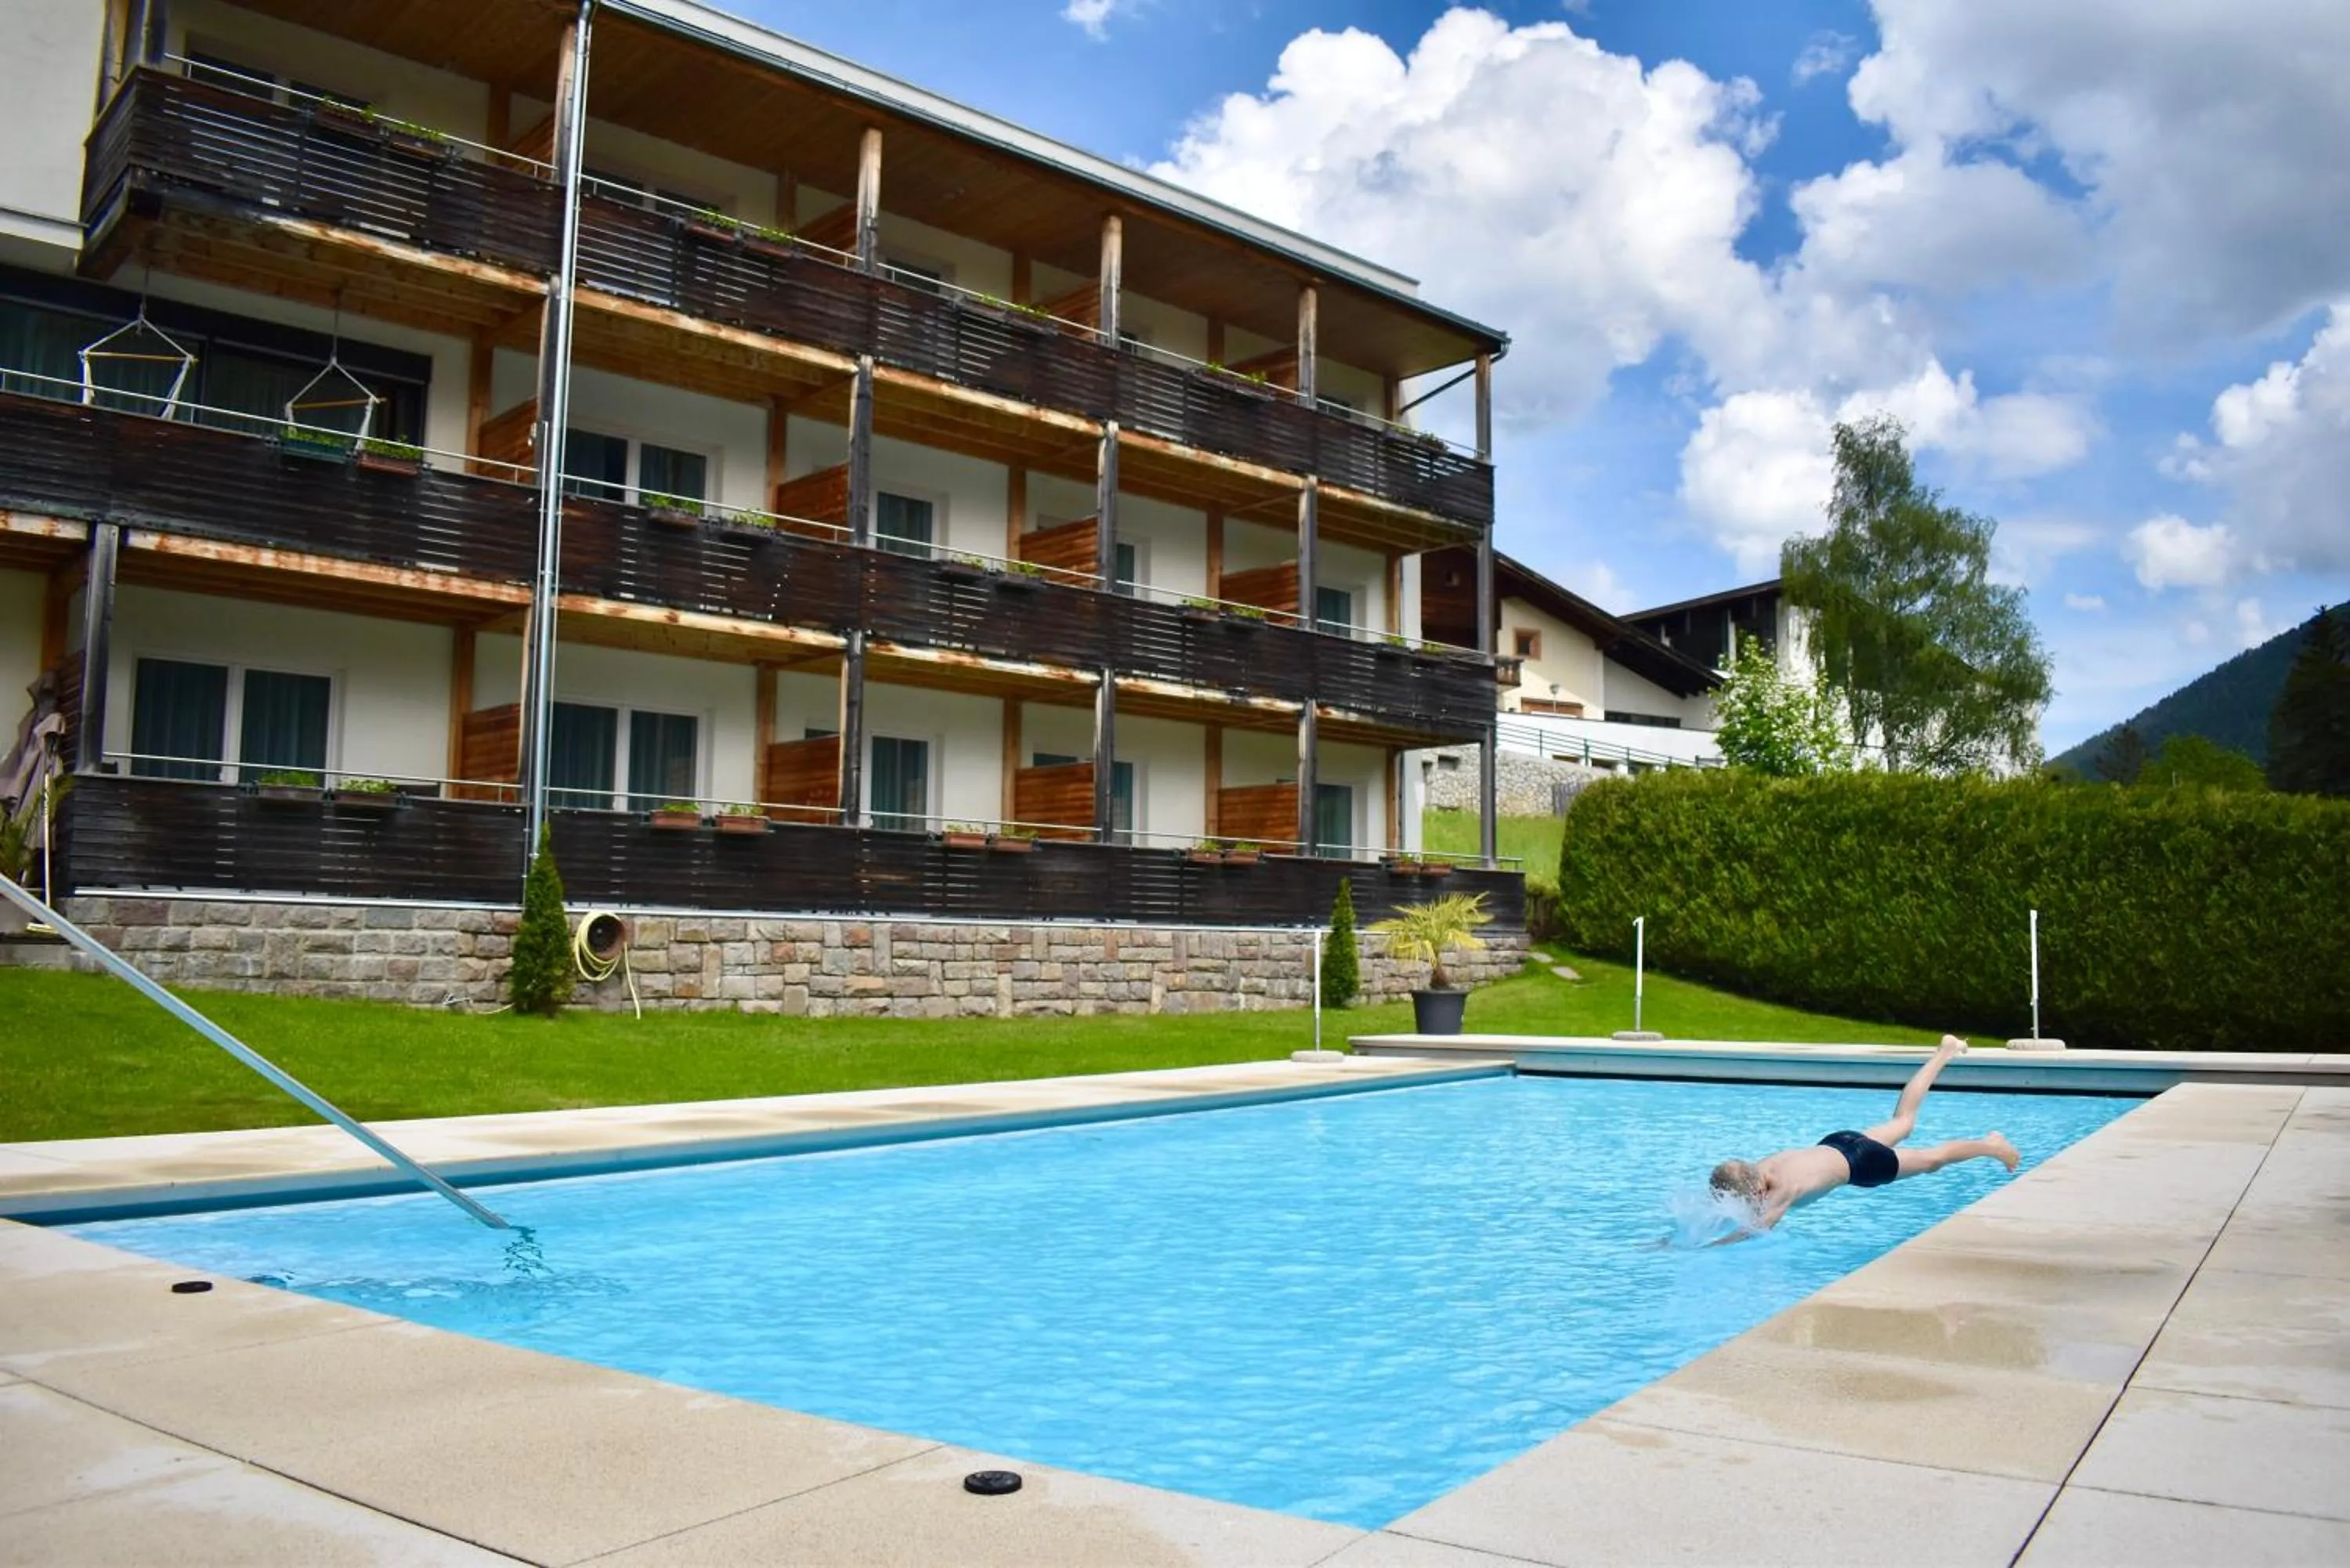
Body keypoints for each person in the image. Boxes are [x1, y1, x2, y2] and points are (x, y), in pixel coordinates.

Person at [1706, 1035, 2019, 1238]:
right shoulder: (1762, 1168)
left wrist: (1701, 1251)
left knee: (1933, 1159)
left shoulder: (1784, 1189)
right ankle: (1946, 1051)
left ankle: (1992, 1146)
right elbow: (1731, 1209)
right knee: (1904, 1121)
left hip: (1863, 1163)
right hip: (1839, 1141)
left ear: (1757, 1192)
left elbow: (1752, 1231)